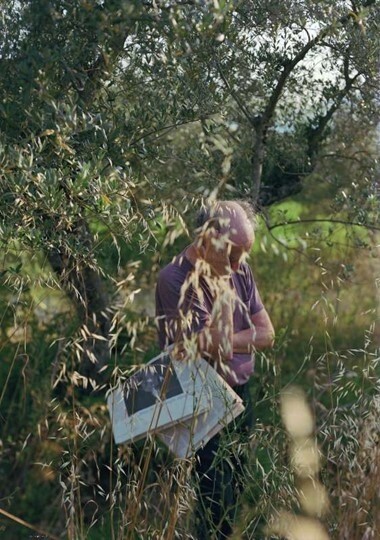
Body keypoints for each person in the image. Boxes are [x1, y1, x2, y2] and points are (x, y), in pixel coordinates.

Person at [155, 200, 274, 539]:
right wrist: (222, 291)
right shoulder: (175, 277)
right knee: (213, 501)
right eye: (232, 254)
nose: (239, 265)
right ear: (206, 240)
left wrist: (224, 340)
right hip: (202, 398)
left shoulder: (240, 268)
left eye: (244, 254)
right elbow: (210, 347)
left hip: (241, 393)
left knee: (235, 491)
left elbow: (267, 335)